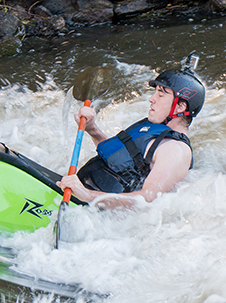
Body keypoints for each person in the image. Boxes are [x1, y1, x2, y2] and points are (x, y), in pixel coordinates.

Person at [57, 68, 205, 210]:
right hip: (79, 197)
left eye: (161, 94)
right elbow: (119, 160)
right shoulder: (154, 131)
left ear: (180, 106)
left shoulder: (176, 150)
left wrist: (88, 196)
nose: (151, 99)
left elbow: (146, 201)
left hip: (99, 217)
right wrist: (92, 129)